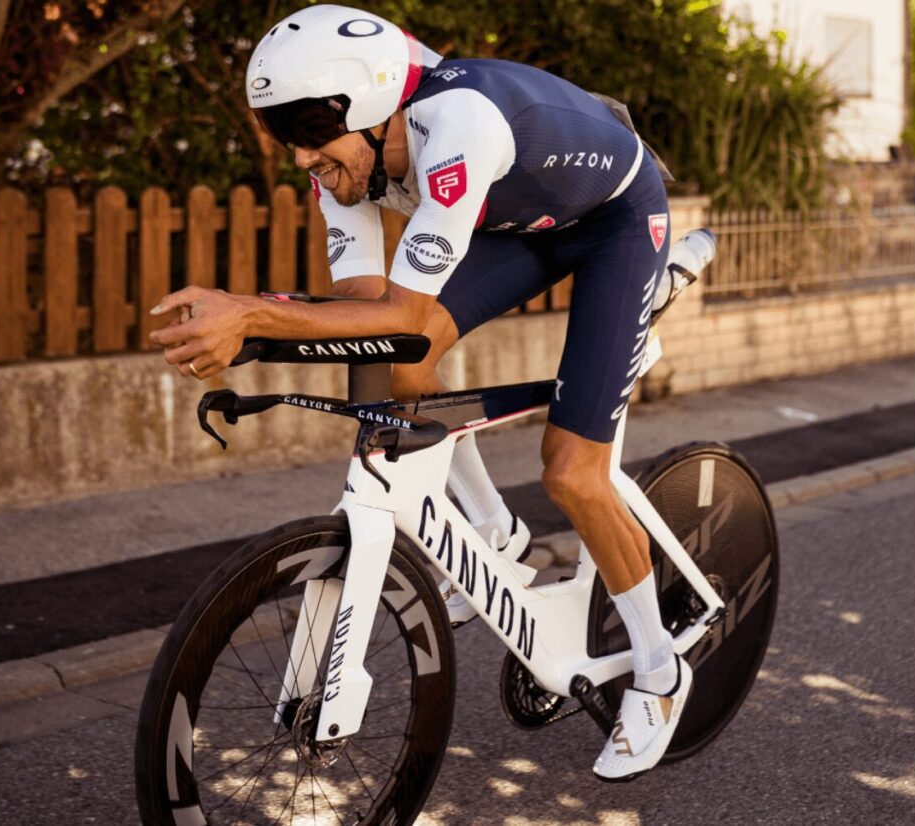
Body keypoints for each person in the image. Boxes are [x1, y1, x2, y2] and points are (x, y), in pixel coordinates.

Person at [149, 3, 690, 781]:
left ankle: (660, 667)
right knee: (401, 362)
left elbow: (397, 311)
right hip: (527, 226)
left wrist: (254, 311)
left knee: (572, 470)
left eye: (315, 140)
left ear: (372, 113)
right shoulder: (344, 166)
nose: (307, 164)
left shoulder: (459, 125)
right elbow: (378, 323)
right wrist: (249, 330)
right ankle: (494, 529)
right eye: (291, 141)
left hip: (613, 223)